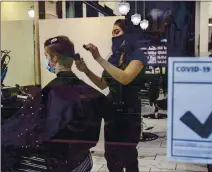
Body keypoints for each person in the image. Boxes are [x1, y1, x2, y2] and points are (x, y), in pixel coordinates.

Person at [1, 36, 105, 172]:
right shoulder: (90, 93)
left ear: (54, 58)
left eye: (46, 56)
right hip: (78, 156)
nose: (46, 60)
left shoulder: (54, 91)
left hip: (58, 160)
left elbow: (47, 130)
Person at [76, 19, 147, 172]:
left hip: (129, 113)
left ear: (128, 34)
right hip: (112, 113)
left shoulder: (138, 56)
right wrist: (86, 70)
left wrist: (99, 59)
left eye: (117, 32)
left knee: (129, 157)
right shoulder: (113, 58)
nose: (114, 36)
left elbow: (125, 78)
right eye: (112, 33)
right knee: (112, 158)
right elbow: (103, 84)